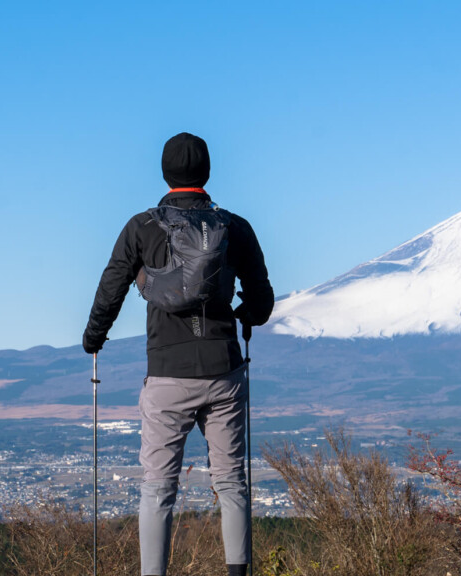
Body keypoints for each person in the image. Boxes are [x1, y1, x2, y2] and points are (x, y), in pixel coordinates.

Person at [83, 132, 274, 576]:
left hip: (167, 373)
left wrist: (94, 337)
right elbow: (261, 304)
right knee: (231, 483)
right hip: (223, 369)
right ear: (206, 172)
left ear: (166, 173)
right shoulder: (235, 227)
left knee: (157, 488)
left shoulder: (142, 226)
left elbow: (110, 289)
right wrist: (241, 311)